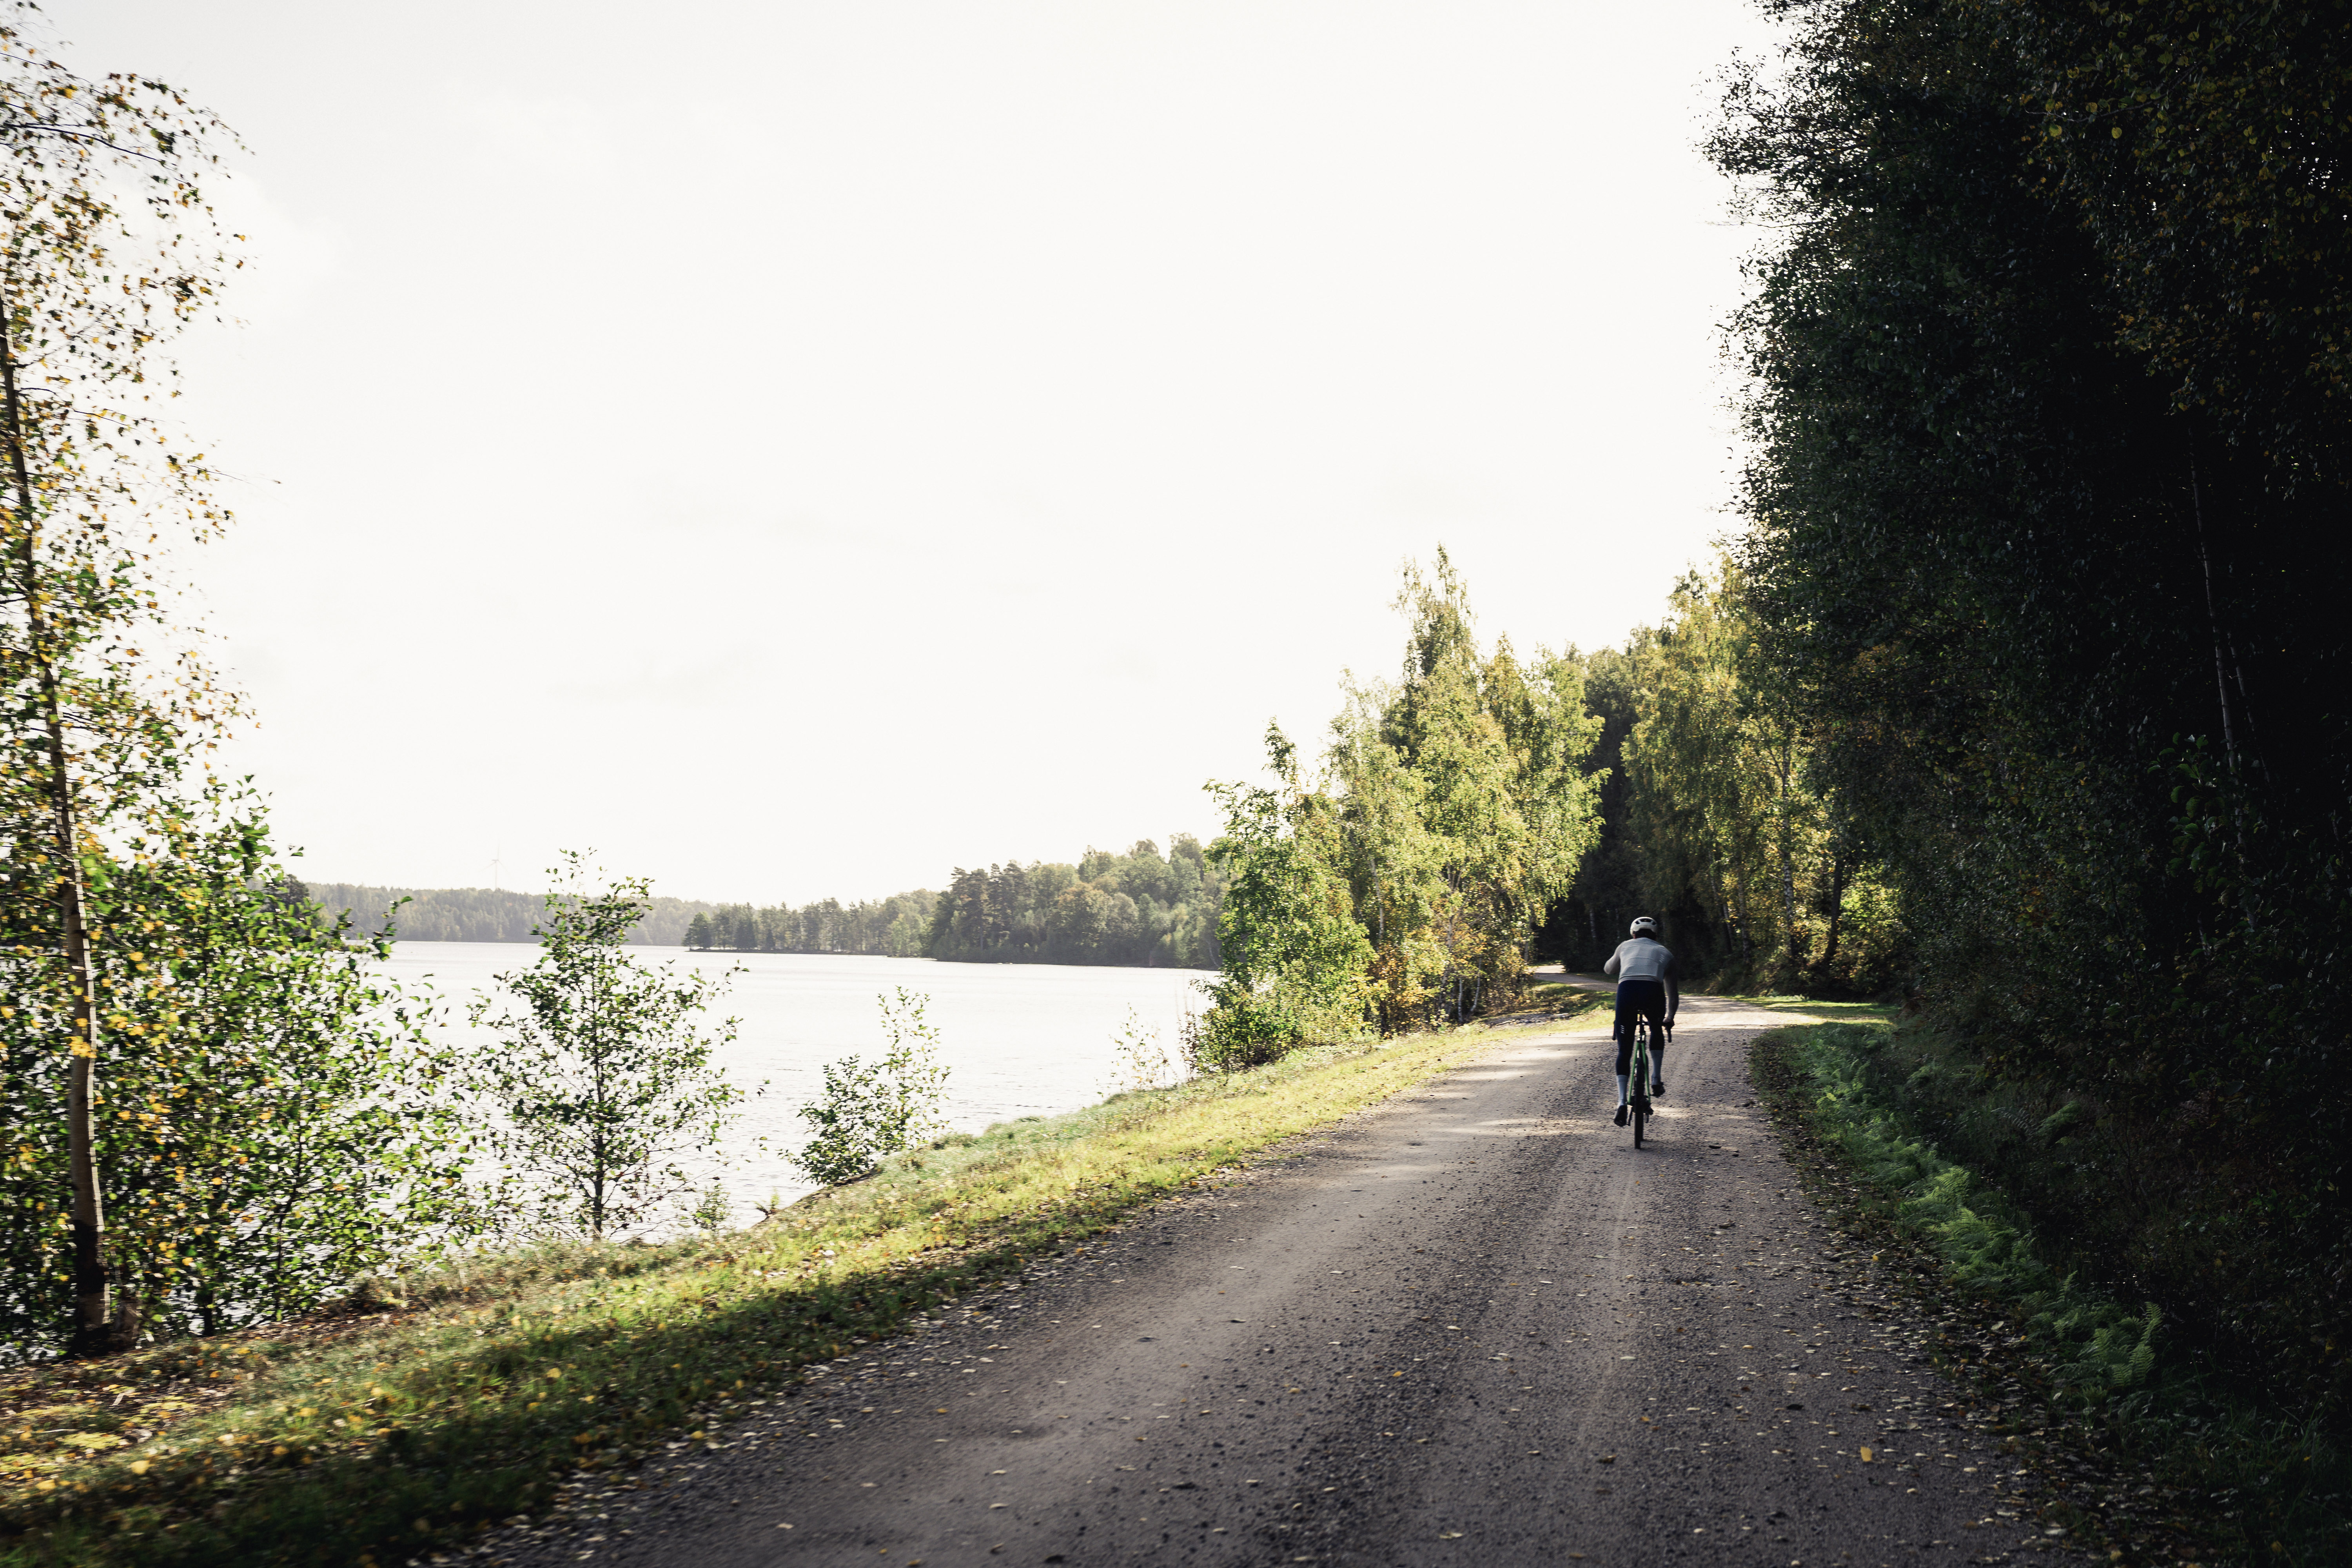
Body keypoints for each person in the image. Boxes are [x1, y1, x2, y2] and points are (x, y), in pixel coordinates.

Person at [1603, 915, 1678, 1126]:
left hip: (1627, 993)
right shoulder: (1666, 953)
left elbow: (1609, 970)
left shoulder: (1625, 946)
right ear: (1656, 936)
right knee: (1656, 1029)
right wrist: (1670, 1018)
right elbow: (1673, 993)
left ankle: (1620, 1103)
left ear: (1633, 934)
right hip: (1652, 993)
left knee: (1624, 1052)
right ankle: (1655, 1078)